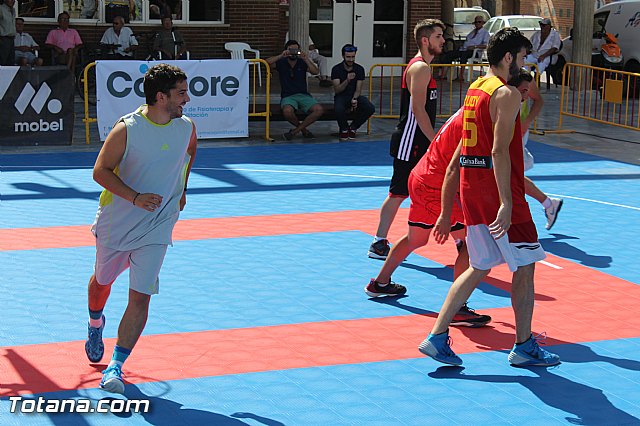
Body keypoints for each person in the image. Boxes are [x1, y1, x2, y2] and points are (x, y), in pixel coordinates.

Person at [418, 28, 560, 367]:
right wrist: (507, 202)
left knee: (479, 265)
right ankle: (524, 346)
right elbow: (499, 150)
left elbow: (464, 150)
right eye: (523, 57)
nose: (525, 63)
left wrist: (448, 196)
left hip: (472, 189)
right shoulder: (507, 94)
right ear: (509, 58)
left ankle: (437, 336)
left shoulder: (476, 88)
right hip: (498, 192)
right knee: (525, 266)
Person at [84, 63, 197, 394]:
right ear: (161, 97)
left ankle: (116, 365)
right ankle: (94, 321)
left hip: (158, 226)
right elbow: (100, 171)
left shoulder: (187, 127)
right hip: (116, 223)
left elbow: (190, 152)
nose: (187, 99)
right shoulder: (127, 129)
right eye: (181, 93)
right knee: (101, 283)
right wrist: (134, 197)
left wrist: (183, 189)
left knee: (141, 297)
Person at [365, 107, 492, 327]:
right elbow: (460, 168)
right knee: (471, 243)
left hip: (423, 176)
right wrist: (447, 212)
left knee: (416, 239)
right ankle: (458, 308)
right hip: (437, 185)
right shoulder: (480, 120)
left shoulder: (469, 109)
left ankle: (379, 283)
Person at [367, 19, 444, 263]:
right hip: (412, 140)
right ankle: (379, 242)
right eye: (438, 36)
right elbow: (418, 110)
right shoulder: (420, 68)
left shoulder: (423, 66)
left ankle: (462, 238)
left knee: (441, 187)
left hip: (419, 139)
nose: (443, 40)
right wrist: (435, 140)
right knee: (399, 193)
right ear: (425, 40)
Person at [509, 69, 563, 230]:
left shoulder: (523, 76)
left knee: (510, 175)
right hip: (505, 129)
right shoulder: (498, 74)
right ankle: (548, 203)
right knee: (511, 176)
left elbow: (538, 100)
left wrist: (526, 122)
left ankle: (544, 206)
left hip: (516, 131)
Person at [266, 39, 323, 141]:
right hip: (288, 96)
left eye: (296, 50)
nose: (293, 52)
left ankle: (294, 132)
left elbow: (315, 71)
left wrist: (306, 59)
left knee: (319, 110)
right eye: (291, 50)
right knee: (287, 112)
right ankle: (304, 130)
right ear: (286, 50)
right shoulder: (281, 62)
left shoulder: (302, 62)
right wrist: (281, 55)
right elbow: (266, 63)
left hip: (303, 95)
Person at [331, 44, 375, 141]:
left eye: (353, 57)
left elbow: (358, 89)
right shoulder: (336, 69)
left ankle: (353, 127)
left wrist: (354, 99)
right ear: (343, 56)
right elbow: (337, 90)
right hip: (341, 96)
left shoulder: (359, 69)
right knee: (338, 108)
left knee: (370, 107)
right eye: (348, 57)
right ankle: (344, 128)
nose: (351, 60)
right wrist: (347, 80)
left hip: (354, 95)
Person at [437, 15, 489, 81]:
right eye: (476, 22)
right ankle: (443, 75)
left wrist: (475, 47)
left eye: (479, 22)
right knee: (450, 53)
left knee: (464, 55)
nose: (477, 23)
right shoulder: (472, 32)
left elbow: (485, 45)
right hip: (464, 49)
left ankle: (461, 76)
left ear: (482, 23)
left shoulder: (485, 33)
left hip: (474, 51)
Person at [0, 0, 16, 66]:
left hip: (11, 39)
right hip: (3, 38)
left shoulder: (13, 10)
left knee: (11, 62)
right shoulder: (1, 9)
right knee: (2, 61)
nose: (13, 1)